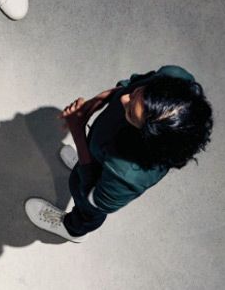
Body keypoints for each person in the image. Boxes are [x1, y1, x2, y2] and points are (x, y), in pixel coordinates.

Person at [25, 65, 214, 241]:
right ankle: (89, 158)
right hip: (101, 151)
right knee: (87, 162)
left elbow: (94, 199)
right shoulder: (175, 78)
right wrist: (96, 102)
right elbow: (128, 87)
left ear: (146, 135)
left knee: (83, 202)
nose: (125, 99)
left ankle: (72, 229)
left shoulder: (127, 176)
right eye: (138, 93)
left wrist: (78, 132)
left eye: (131, 112)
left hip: (97, 183)